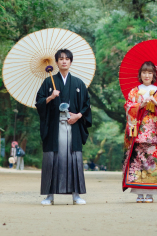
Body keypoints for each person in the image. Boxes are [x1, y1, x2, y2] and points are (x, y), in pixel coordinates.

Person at [35, 48, 92, 205]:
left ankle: (76, 195)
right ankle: (49, 196)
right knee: (52, 159)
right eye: (61, 59)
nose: (64, 61)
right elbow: (38, 103)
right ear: (57, 62)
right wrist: (50, 97)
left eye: (67, 58)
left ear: (71, 62)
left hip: (73, 126)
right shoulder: (48, 82)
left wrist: (78, 116)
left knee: (74, 158)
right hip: (54, 126)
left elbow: (87, 105)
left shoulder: (79, 83)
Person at [122, 60, 157, 203]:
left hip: (154, 132)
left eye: (150, 73)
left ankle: (150, 193)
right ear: (140, 74)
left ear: (154, 75)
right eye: (144, 72)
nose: (147, 75)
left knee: (152, 160)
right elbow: (128, 106)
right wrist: (140, 105)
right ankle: (138, 192)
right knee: (138, 160)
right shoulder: (134, 91)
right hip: (138, 131)